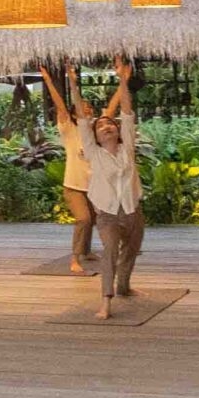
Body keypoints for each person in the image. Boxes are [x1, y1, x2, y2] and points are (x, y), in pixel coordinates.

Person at [82, 60, 143, 317]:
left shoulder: (126, 147)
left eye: (111, 124)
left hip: (132, 209)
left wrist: (123, 79)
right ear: (95, 136)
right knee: (109, 251)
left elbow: (127, 113)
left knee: (131, 249)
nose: (107, 126)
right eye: (100, 125)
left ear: (117, 131)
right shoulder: (93, 153)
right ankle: (106, 300)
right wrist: (73, 84)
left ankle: (124, 287)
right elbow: (80, 120)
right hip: (107, 212)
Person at [36, 66, 95, 273]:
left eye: (89, 108)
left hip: (93, 186)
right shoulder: (70, 130)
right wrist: (49, 81)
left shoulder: (95, 131)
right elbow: (60, 105)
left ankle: (86, 251)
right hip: (74, 185)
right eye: (83, 108)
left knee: (92, 219)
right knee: (83, 219)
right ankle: (75, 259)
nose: (87, 110)